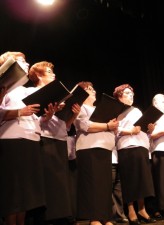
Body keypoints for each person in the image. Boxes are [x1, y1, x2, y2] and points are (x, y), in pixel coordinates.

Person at [28, 61, 81, 225]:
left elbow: (64, 125)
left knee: (60, 181)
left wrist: (73, 115)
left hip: (59, 138)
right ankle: (47, 217)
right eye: (49, 72)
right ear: (38, 75)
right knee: (48, 180)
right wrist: (50, 113)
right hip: (44, 138)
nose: (54, 74)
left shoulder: (59, 95)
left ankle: (61, 215)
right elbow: (34, 121)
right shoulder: (31, 92)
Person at [0, 51, 46, 225]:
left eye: (26, 61)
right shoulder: (5, 87)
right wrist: (20, 111)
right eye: (21, 61)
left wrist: (46, 116)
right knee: (14, 190)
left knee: (26, 191)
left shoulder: (27, 90)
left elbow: (37, 117)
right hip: (12, 139)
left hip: (31, 139)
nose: (26, 64)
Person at [74, 82, 118, 225]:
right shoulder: (81, 108)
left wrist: (112, 127)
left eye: (93, 88)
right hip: (89, 148)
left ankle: (106, 217)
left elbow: (111, 129)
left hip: (105, 148)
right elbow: (84, 125)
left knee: (104, 185)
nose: (93, 90)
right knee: (93, 184)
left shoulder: (99, 109)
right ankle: (94, 218)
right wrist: (107, 126)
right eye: (88, 89)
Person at [113, 84, 156, 225]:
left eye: (132, 93)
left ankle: (142, 209)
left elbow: (141, 127)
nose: (131, 95)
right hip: (126, 146)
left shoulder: (136, 110)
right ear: (119, 96)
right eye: (127, 93)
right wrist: (131, 131)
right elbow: (114, 129)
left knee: (142, 178)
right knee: (130, 179)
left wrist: (149, 128)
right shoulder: (116, 111)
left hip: (141, 145)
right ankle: (131, 211)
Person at [111, 148, 128, 224]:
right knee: (109, 188)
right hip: (109, 158)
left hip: (120, 157)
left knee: (118, 189)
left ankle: (119, 215)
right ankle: (111, 215)